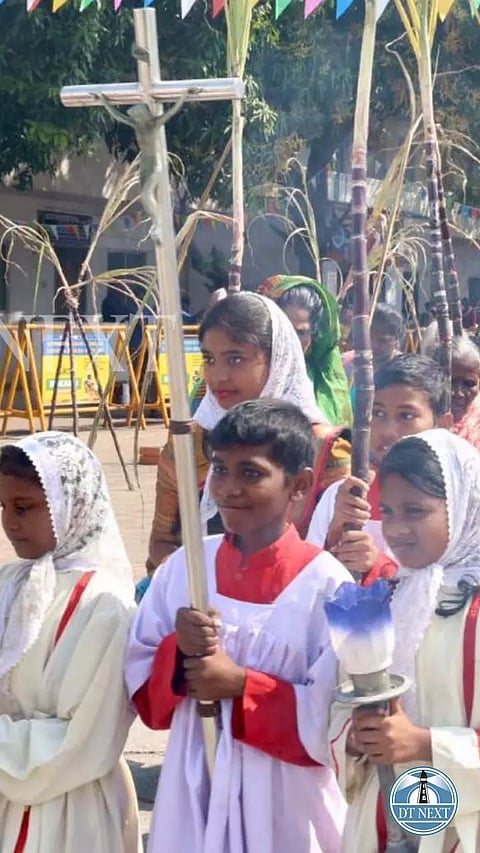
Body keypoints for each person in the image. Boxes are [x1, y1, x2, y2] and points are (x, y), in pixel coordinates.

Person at [125, 399, 351, 853]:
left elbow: (337, 720)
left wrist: (242, 686)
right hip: (196, 780)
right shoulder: (188, 567)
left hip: (286, 799)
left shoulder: (327, 587)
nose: (228, 488)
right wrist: (178, 651)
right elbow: (142, 686)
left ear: (299, 485)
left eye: (251, 473)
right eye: (221, 469)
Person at [329, 429, 480, 852]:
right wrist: (356, 738)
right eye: (389, 512)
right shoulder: (390, 598)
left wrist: (425, 744)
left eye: (415, 511)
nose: (395, 529)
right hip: (381, 814)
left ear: (463, 508)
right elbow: (340, 702)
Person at [146, 292, 352, 578]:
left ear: (276, 359)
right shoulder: (187, 445)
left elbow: (344, 557)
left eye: (235, 359)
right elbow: (162, 542)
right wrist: (199, 588)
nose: (218, 376)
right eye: (209, 359)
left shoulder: (326, 452)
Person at [0, 431, 140, 852]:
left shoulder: (106, 604)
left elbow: (83, 739)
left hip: (69, 807)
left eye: (25, 508)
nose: (10, 522)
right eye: (3, 507)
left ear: (71, 504)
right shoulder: (10, 583)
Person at [307, 354, 450, 582]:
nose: (388, 431)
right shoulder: (342, 496)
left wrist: (380, 568)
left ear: (442, 424)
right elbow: (308, 581)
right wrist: (334, 539)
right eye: (378, 413)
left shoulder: (457, 508)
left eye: (406, 416)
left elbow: (451, 594)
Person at [257, 275, 352, 426]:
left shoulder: (327, 386)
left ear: (314, 335)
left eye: (300, 333)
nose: (291, 341)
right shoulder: (245, 377)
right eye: (283, 330)